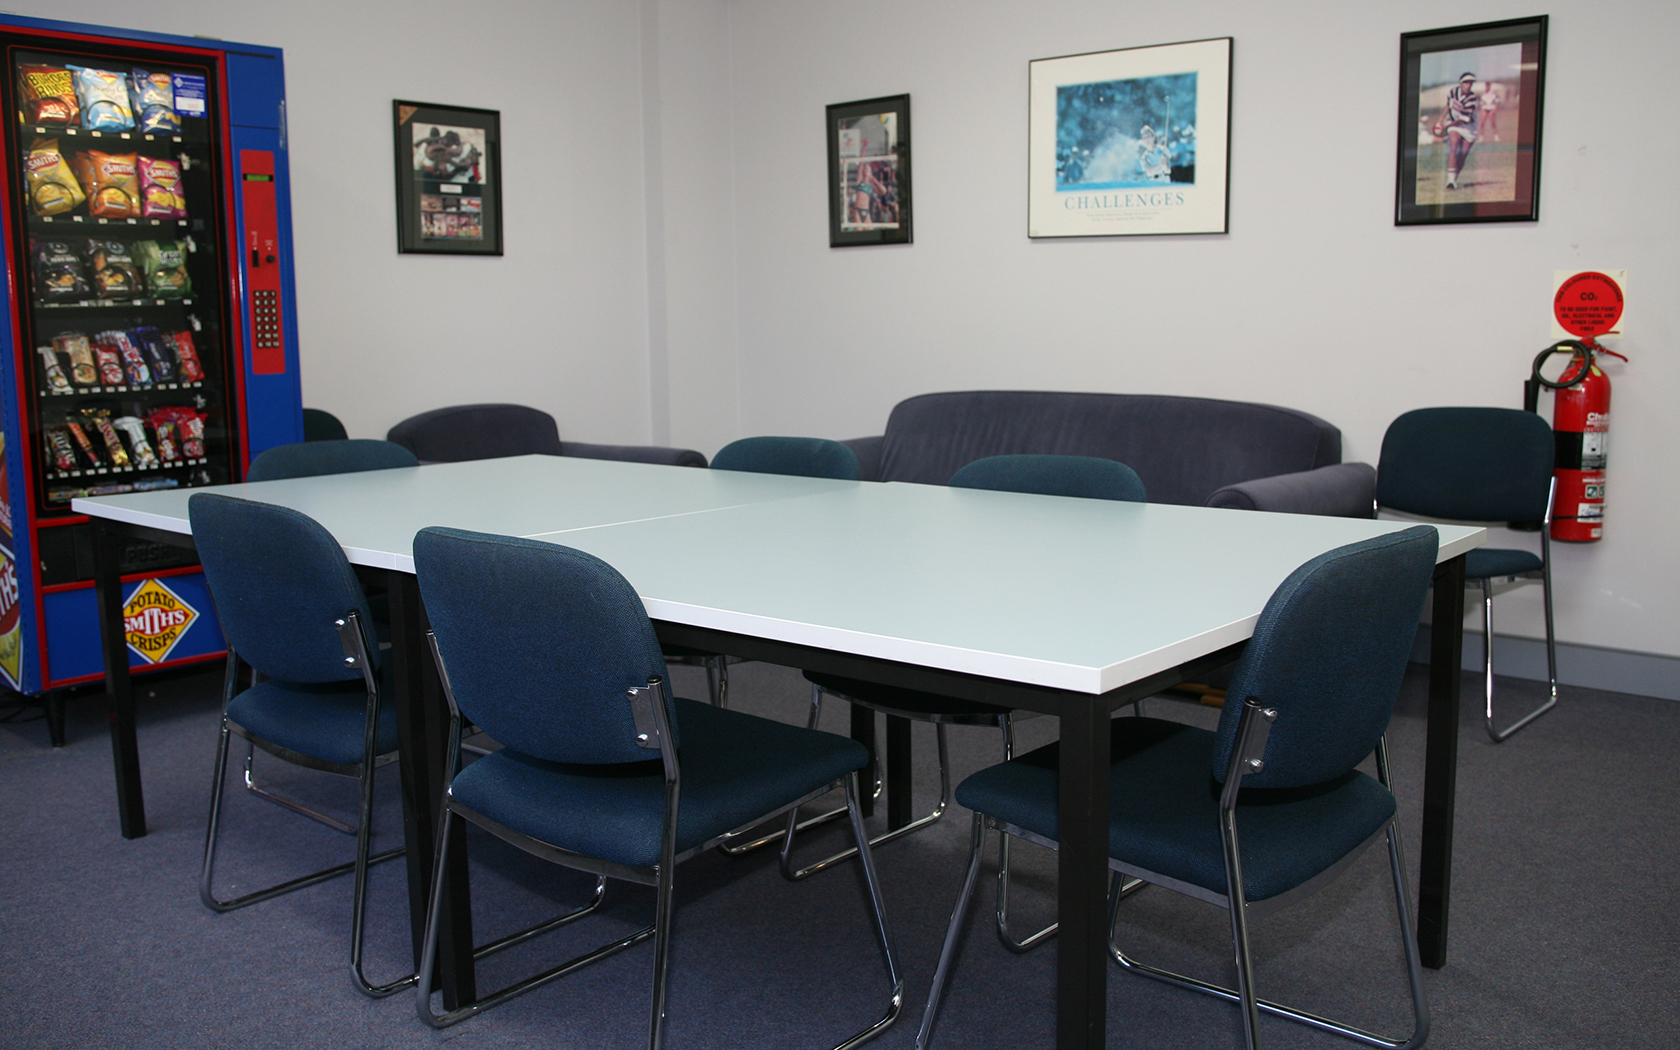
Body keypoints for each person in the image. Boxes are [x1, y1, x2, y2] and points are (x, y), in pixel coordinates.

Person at [1431, 72, 1481, 190]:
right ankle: (1450, 181)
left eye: (1471, 83)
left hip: (1469, 127)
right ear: (1460, 83)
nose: (1468, 85)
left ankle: (1454, 179)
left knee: (1462, 155)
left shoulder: (1471, 98)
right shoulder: (1453, 92)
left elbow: (1464, 119)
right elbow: (1448, 104)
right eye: (1466, 82)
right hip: (1454, 125)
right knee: (1453, 147)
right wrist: (1441, 119)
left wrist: (1446, 125)